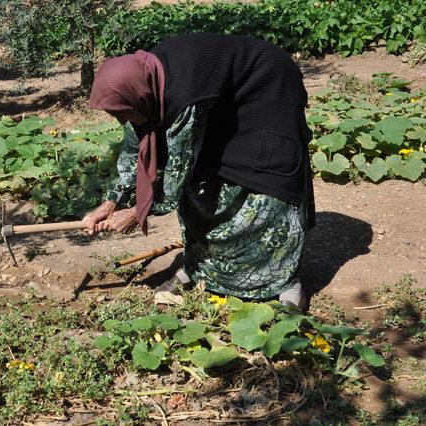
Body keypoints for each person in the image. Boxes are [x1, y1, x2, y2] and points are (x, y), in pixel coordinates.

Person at [81, 33, 315, 309]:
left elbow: (176, 178)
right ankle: (200, 268)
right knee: (202, 185)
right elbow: (136, 149)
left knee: (266, 181)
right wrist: (110, 201)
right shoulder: (144, 85)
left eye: (122, 113)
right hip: (221, 95)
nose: (120, 119)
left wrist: (136, 213)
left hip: (268, 83)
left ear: (139, 98)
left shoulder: (181, 95)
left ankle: (286, 284)